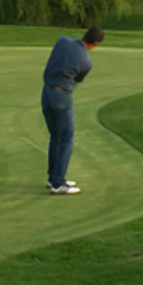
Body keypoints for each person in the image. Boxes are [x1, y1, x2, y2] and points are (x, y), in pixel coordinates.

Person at [40, 26, 104, 195]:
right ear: (95, 43)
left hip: (45, 93)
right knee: (66, 138)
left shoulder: (62, 40)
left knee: (55, 135)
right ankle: (58, 183)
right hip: (62, 97)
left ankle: (53, 177)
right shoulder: (87, 62)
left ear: (85, 34)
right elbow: (75, 82)